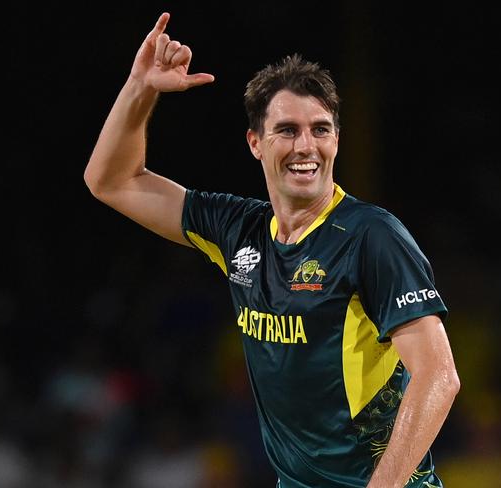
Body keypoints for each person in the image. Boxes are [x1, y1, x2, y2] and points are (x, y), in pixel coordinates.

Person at [84, 12, 460, 488]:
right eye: (287, 130)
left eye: (321, 129)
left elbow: (438, 377)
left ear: (337, 140)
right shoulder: (238, 229)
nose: (307, 146)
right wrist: (141, 86)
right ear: (255, 143)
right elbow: (111, 180)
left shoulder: (371, 236)